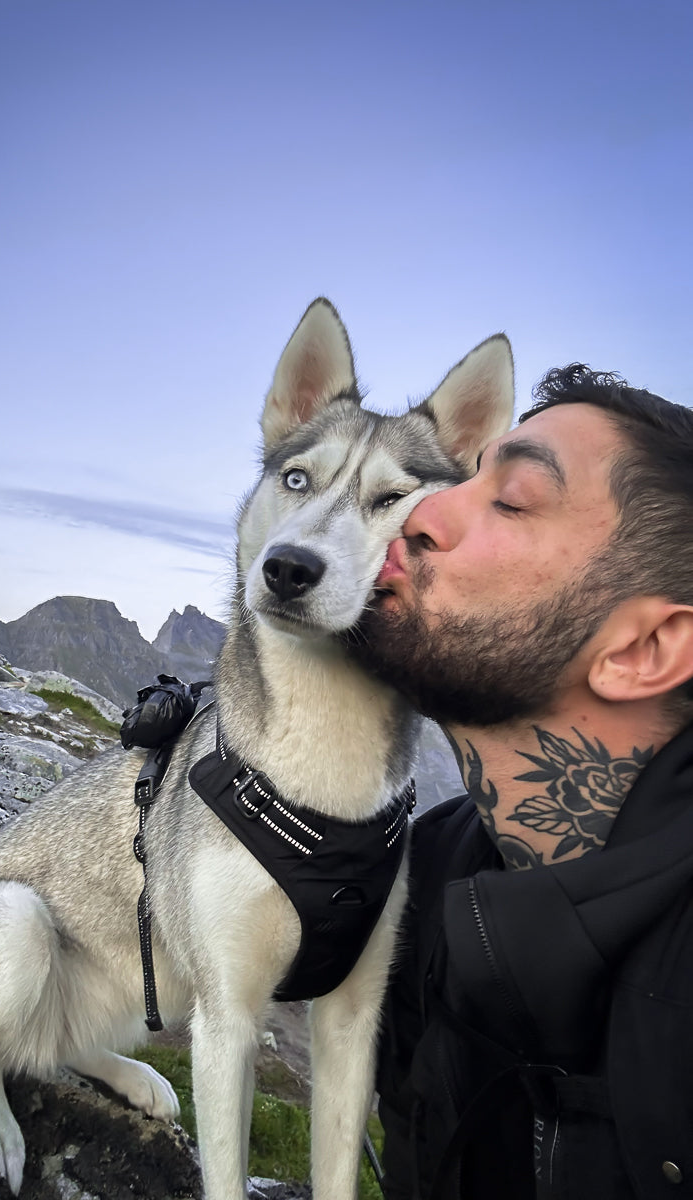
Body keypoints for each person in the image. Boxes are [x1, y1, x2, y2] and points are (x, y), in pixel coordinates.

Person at [352, 364, 693, 1199]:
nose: (418, 508)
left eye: (510, 500)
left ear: (642, 651)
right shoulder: (421, 878)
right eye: (462, 478)